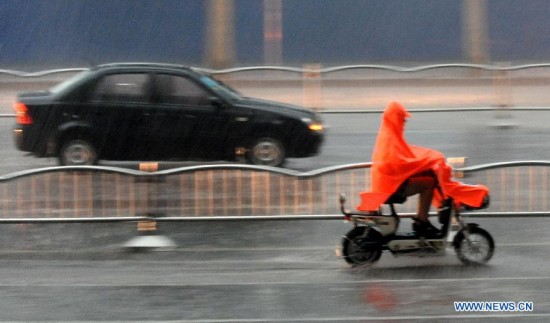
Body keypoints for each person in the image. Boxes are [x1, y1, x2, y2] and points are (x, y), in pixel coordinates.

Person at [357, 101, 489, 236]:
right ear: (396, 118)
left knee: (427, 178)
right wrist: (425, 161)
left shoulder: (388, 134)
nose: (404, 123)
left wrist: (424, 161)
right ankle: (422, 221)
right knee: (428, 183)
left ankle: (423, 220)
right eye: (402, 119)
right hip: (390, 188)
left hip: (388, 183)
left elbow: (405, 154)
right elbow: (398, 161)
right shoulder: (390, 136)